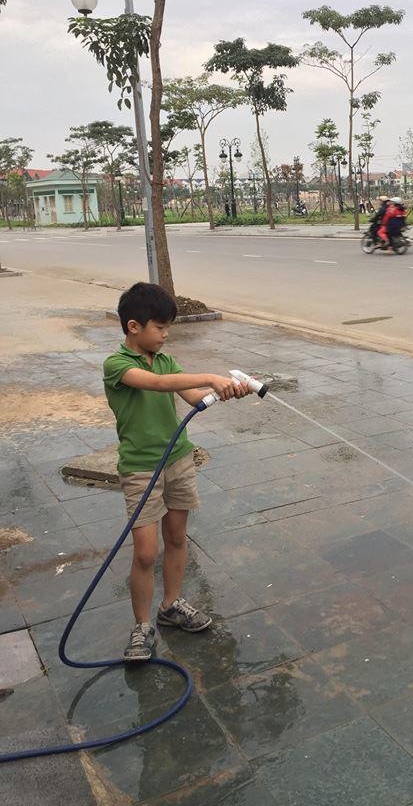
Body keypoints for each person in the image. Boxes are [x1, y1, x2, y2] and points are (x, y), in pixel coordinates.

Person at [103, 282, 252, 663]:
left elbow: (192, 397)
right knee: (145, 553)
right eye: (160, 328)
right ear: (134, 327)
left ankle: (170, 606)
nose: (166, 335)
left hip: (178, 460)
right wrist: (209, 376)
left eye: (168, 328)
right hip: (141, 469)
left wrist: (228, 389)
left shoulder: (166, 360)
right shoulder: (118, 365)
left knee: (177, 537)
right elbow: (154, 385)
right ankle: (141, 627)